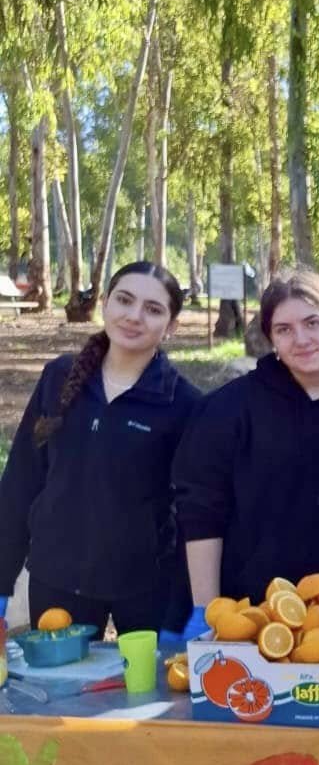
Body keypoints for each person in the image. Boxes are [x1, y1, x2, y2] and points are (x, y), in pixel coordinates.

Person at [174, 269, 319, 632]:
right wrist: (206, 611)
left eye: (313, 323)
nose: (301, 339)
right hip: (245, 614)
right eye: (284, 330)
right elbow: (201, 513)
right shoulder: (228, 409)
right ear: (271, 339)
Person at [0, 262, 199, 636]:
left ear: (171, 326)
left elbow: (193, 511)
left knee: (148, 696)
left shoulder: (185, 404)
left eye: (153, 309)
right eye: (124, 300)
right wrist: (1, 579)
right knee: (62, 693)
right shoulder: (58, 377)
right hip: (56, 578)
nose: (134, 316)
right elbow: (21, 480)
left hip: (146, 589)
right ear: (106, 303)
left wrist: (186, 606)